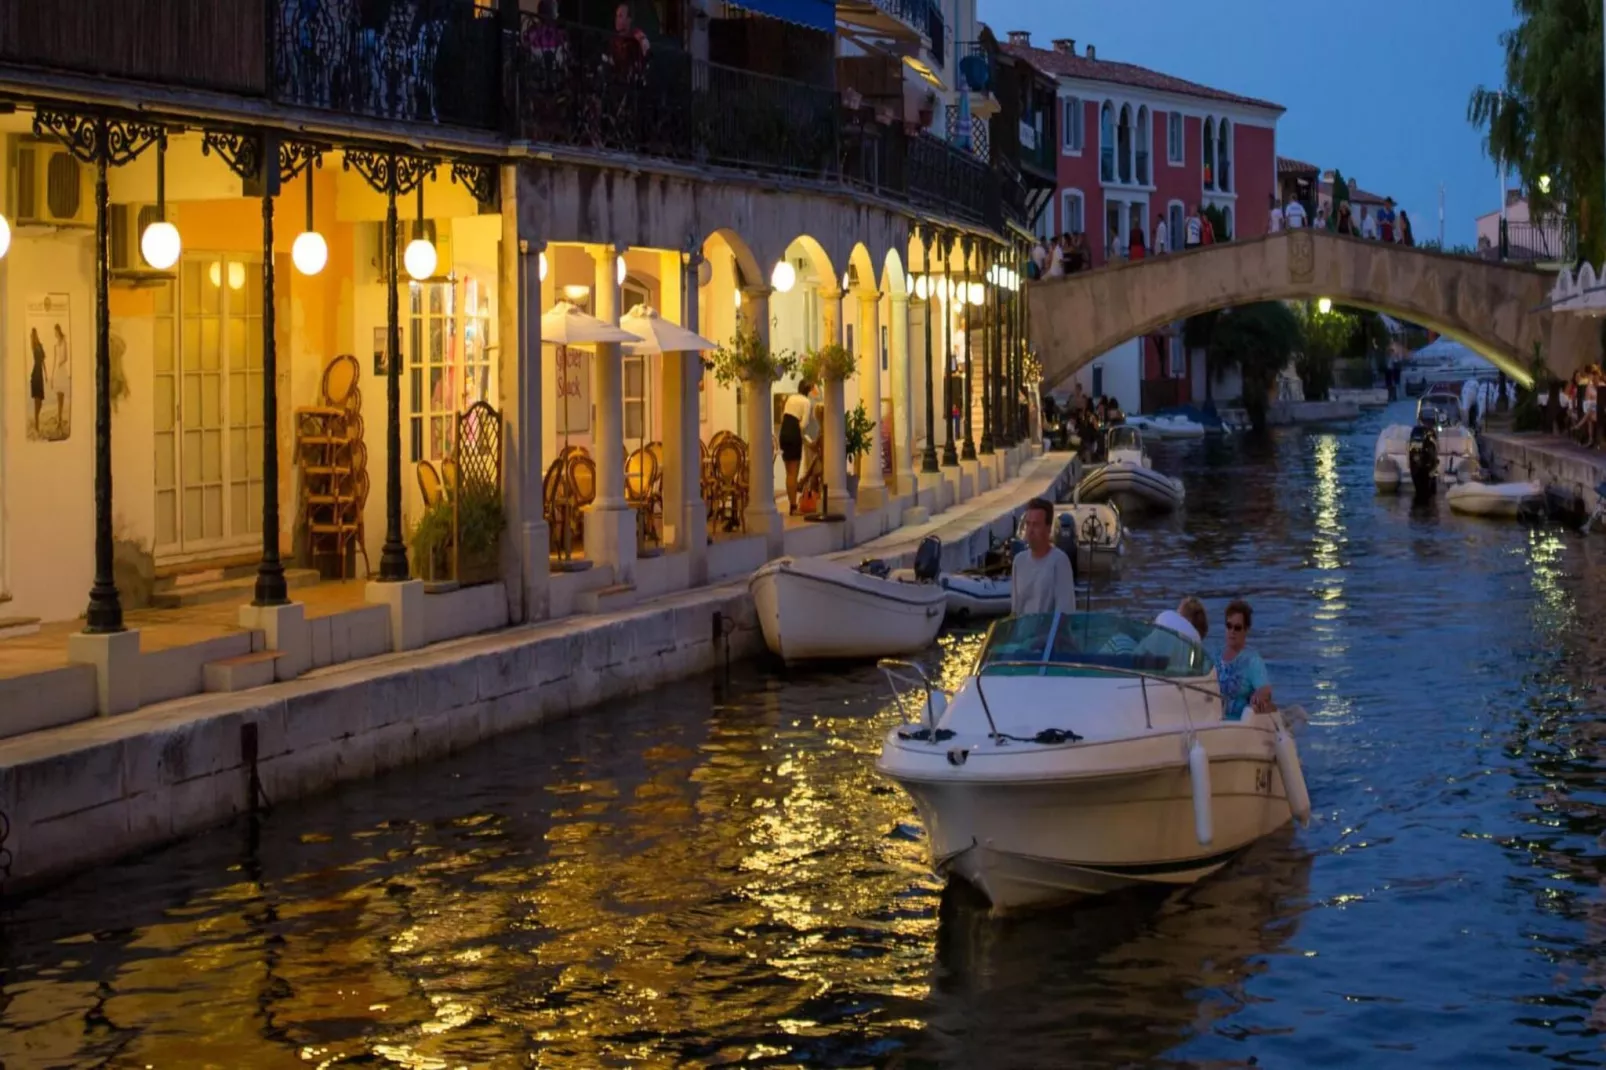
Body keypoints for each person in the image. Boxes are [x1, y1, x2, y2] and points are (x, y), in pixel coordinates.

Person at [1011, 497, 1076, 616]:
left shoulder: (1059, 561)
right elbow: (1016, 610)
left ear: (1048, 528)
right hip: (1024, 633)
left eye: (1036, 525)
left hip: (1048, 633)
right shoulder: (1018, 562)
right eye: (1028, 524)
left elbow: (1065, 611)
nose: (1030, 531)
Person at [1218, 598, 1273, 718]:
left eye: (1237, 628)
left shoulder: (1253, 661)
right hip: (1213, 721)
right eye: (1229, 626)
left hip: (1240, 727)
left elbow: (1265, 690)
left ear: (1246, 630)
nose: (1232, 631)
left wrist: (1258, 696)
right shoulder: (1215, 655)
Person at [780, 379, 814, 515]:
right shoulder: (806, 402)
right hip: (794, 432)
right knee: (794, 472)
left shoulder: (791, 398)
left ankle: (792, 505)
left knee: (789, 472)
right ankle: (793, 507)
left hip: (784, 432)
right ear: (808, 391)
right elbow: (803, 424)